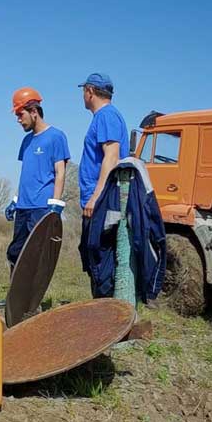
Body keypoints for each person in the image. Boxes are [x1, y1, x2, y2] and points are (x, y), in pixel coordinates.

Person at [6, 87, 70, 269]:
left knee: (36, 256)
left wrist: (55, 205)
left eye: (20, 114)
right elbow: (26, 174)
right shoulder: (26, 141)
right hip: (23, 207)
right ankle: (15, 297)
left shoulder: (56, 137)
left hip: (41, 207)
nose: (19, 120)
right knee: (15, 253)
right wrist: (15, 200)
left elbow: (60, 172)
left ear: (34, 112)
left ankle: (32, 297)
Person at [77, 73, 129, 281]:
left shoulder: (107, 116)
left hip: (102, 200)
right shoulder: (104, 117)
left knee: (100, 256)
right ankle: (101, 306)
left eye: (83, 92)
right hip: (97, 199)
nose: (83, 96)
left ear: (90, 91)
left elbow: (112, 157)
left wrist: (96, 196)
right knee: (91, 253)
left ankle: (106, 309)